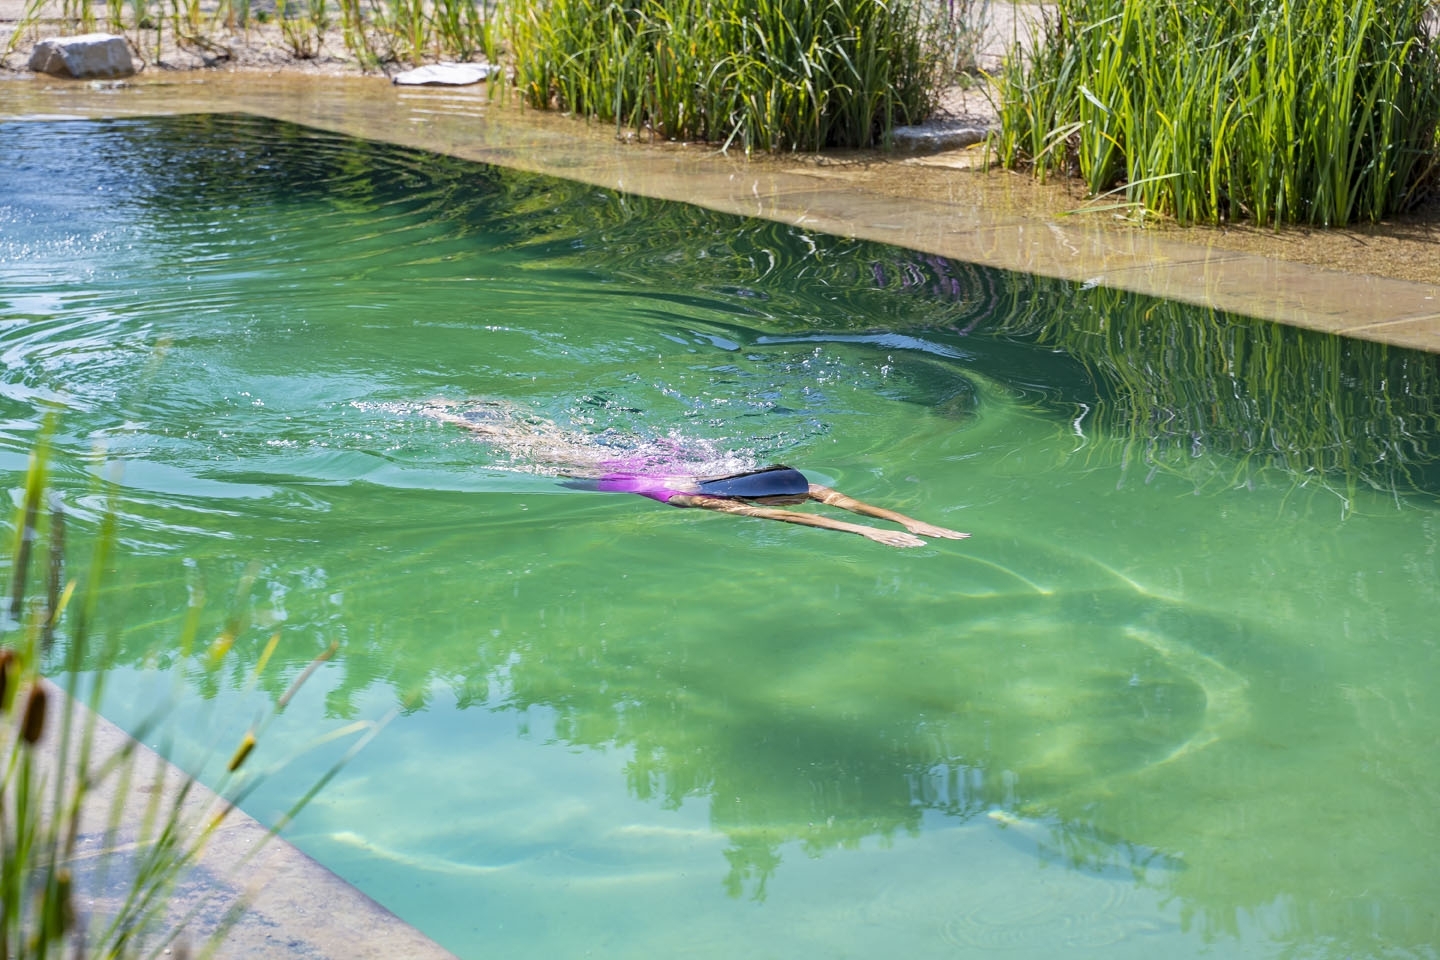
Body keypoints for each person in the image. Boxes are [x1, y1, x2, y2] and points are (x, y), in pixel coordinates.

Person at [422, 400, 968, 549]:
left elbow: (840, 501)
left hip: (669, 463)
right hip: (646, 478)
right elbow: (791, 522)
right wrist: (867, 532)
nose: (811, 501)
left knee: (564, 442)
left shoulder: (780, 481)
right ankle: (460, 419)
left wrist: (907, 519)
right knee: (553, 452)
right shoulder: (697, 500)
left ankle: (484, 413)